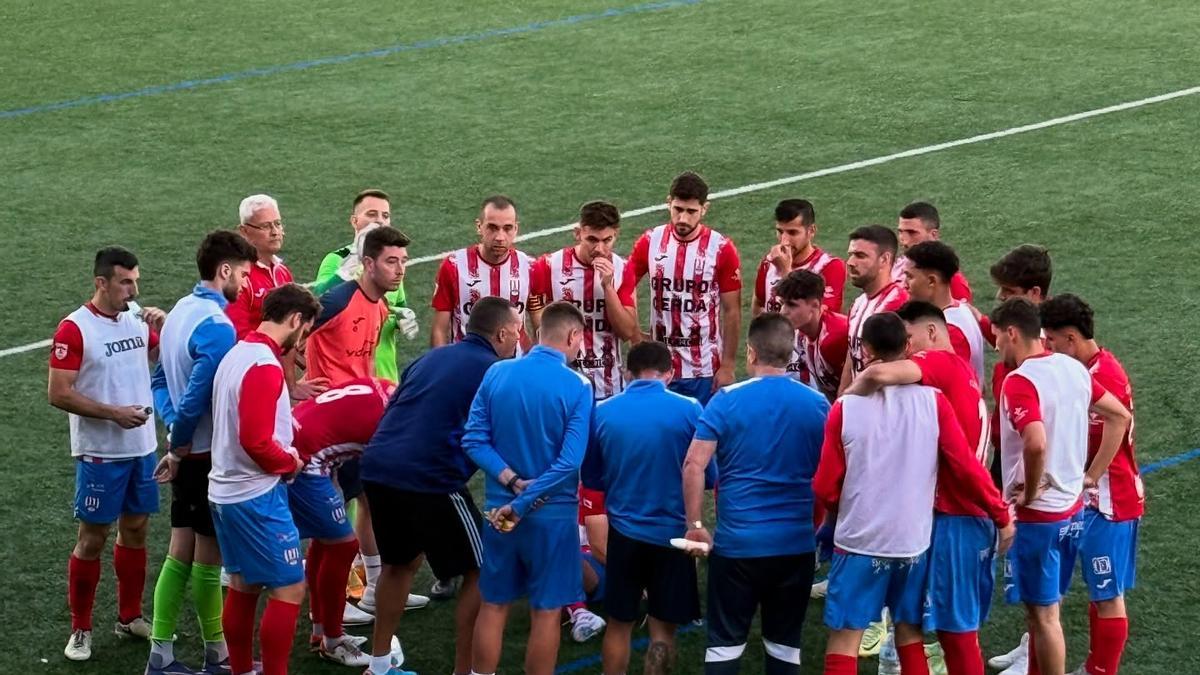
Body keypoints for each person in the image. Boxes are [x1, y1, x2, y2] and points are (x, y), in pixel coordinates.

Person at [815, 313, 1012, 675]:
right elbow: (966, 464)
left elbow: (826, 485)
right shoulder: (934, 402)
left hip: (859, 540)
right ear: (907, 347)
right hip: (913, 543)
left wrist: (832, 518)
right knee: (909, 634)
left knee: (845, 640)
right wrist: (1000, 513)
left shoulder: (845, 407)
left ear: (865, 349)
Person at [360, 297, 523, 675]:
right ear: (502, 333)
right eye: (516, 330)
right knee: (481, 569)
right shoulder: (495, 372)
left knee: (398, 565)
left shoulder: (430, 357)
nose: (519, 337)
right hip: (431, 476)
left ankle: (379, 664)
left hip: (379, 467)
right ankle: (464, 670)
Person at [682, 313, 830, 674]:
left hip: (738, 548)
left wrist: (696, 524)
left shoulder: (726, 400)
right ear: (791, 353)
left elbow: (693, 465)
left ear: (750, 352)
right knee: (784, 647)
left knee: (724, 647)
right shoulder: (817, 405)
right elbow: (832, 475)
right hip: (795, 546)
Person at [991, 298, 1131, 675]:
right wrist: (1088, 474)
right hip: (1071, 510)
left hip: (1040, 516)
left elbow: (1034, 442)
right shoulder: (1073, 369)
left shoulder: (1020, 380)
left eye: (997, 340)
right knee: (1044, 613)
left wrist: (1032, 491)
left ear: (1012, 333)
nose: (997, 349)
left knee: (1044, 616)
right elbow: (1119, 416)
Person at [49, 246, 167, 661]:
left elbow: (157, 357)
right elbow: (58, 392)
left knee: (135, 530)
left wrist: (163, 327)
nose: (133, 290)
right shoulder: (75, 329)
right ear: (101, 282)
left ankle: (129, 616)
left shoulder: (135, 319)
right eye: (125, 282)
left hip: (142, 449)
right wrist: (113, 414)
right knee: (92, 538)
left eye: (136, 280)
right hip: (101, 452)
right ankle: (80, 629)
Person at [146, 231, 256, 674]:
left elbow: (158, 382)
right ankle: (217, 654)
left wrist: (173, 428)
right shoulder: (216, 325)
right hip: (206, 456)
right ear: (224, 271)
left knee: (181, 551)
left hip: (190, 452)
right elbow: (199, 396)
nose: (245, 285)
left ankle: (166, 653)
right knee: (208, 559)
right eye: (243, 275)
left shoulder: (178, 314)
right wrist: (180, 442)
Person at [463, 301, 593, 675]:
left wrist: (511, 481)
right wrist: (525, 500)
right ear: (573, 337)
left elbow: (473, 440)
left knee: (494, 604)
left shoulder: (497, 373)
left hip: (499, 512)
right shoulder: (578, 385)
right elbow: (569, 463)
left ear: (536, 334)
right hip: (549, 518)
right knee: (547, 610)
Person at [305, 226, 419, 622]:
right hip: (328, 429)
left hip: (358, 424)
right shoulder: (337, 300)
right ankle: (328, 608)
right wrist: (294, 383)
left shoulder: (381, 306)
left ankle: (371, 589)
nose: (400, 269)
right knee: (331, 521)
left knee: (365, 501)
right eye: (391, 261)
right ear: (367, 263)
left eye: (403, 261)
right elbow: (286, 333)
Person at [208, 283, 321, 675]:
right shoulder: (264, 365)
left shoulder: (238, 353)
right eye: (305, 330)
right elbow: (255, 439)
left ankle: (241, 669)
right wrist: (289, 463)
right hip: (254, 495)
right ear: (294, 320)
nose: (302, 340)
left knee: (242, 585)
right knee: (289, 588)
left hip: (224, 492)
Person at [583, 341, 711, 675]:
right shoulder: (691, 409)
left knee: (619, 623)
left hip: (624, 536)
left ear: (627, 373)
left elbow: (593, 478)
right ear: (670, 373)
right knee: (663, 629)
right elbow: (707, 476)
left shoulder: (602, 411)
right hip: (672, 537)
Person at [1039, 294, 1142, 675]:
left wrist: (1092, 476)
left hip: (1110, 503)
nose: (1047, 348)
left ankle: (1102, 671)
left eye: (1050, 341)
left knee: (1108, 594)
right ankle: (1093, 666)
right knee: (1095, 591)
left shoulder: (1103, 376)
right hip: (1091, 501)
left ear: (1070, 338)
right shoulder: (1089, 370)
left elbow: (1119, 423)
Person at [286, 376, 401, 668]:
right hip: (306, 457)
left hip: (304, 441)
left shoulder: (384, 387)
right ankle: (332, 639)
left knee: (326, 543)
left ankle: (320, 630)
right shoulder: (392, 423)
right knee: (342, 546)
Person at [983, 244, 1054, 674]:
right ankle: (1031, 640)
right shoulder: (1019, 345)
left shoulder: (1046, 355)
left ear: (1034, 295)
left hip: (1034, 477)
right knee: (1026, 568)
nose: (999, 301)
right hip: (1009, 460)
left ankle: (1037, 652)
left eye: (1008, 292)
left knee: (1041, 573)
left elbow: (1044, 432)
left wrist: (1033, 482)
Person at [613, 171, 742, 404]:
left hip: (703, 368)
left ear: (705, 209)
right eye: (678, 209)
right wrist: (634, 334)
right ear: (668, 203)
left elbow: (732, 309)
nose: (683, 218)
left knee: (700, 437)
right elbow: (626, 285)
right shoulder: (650, 241)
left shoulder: (721, 248)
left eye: (691, 211)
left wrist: (728, 365)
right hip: (658, 366)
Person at [224, 194, 326, 401]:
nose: (275, 232)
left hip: (274, 379)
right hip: (253, 379)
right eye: (265, 226)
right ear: (244, 231)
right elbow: (239, 338)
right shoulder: (241, 278)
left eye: (278, 224)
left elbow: (290, 330)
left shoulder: (282, 272)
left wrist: (291, 382)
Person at [311, 189, 418, 382]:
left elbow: (396, 304)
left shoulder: (392, 264)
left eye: (385, 216)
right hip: (343, 380)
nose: (379, 221)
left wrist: (400, 319)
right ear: (354, 221)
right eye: (371, 214)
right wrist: (350, 266)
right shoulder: (337, 259)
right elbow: (319, 301)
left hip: (384, 375)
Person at [530, 200, 628, 400]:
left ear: (616, 235)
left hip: (609, 387)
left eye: (607, 240)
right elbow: (530, 304)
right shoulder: (549, 266)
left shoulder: (623, 269)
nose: (599, 248)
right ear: (578, 233)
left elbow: (626, 332)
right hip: (561, 386)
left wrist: (608, 287)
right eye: (592, 239)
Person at [431, 195, 533, 350]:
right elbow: (439, 328)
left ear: (516, 229)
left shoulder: (530, 267)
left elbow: (540, 321)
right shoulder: (454, 266)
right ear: (479, 227)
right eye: (492, 228)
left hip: (513, 367)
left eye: (507, 228)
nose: (500, 237)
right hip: (467, 363)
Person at [902, 241, 986, 381]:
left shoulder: (949, 330)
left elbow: (949, 380)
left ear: (932, 281)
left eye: (910, 277)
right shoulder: (962, 309)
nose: (904, 284)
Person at [839, 225, 907, 393]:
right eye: (851, 255)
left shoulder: (899, 304)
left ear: (884, 259)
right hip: (858, 399)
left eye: (860, 256)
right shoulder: (858, 304)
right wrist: (842, 396)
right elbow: (852, 354)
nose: (851, 263)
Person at [752, 198, 846, 315]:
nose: (784, 240)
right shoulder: (770, 261)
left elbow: (818, 316)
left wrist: (785, 272)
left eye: (792, 233)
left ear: (811, 231)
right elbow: (759, 303)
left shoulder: (829, 267)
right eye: (780, 231)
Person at [773, 270, 849, 400]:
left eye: (791, 305)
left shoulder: (834, 338)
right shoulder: (800, 334)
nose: (783, 311)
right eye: (782, 304)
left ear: (815, 305)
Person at [892, 202, 971, 301]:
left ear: (934, 235)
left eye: (912, 232)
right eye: (901, 232)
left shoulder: (951, 280)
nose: (904, 239)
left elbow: (958, 313)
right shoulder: (896, 266)